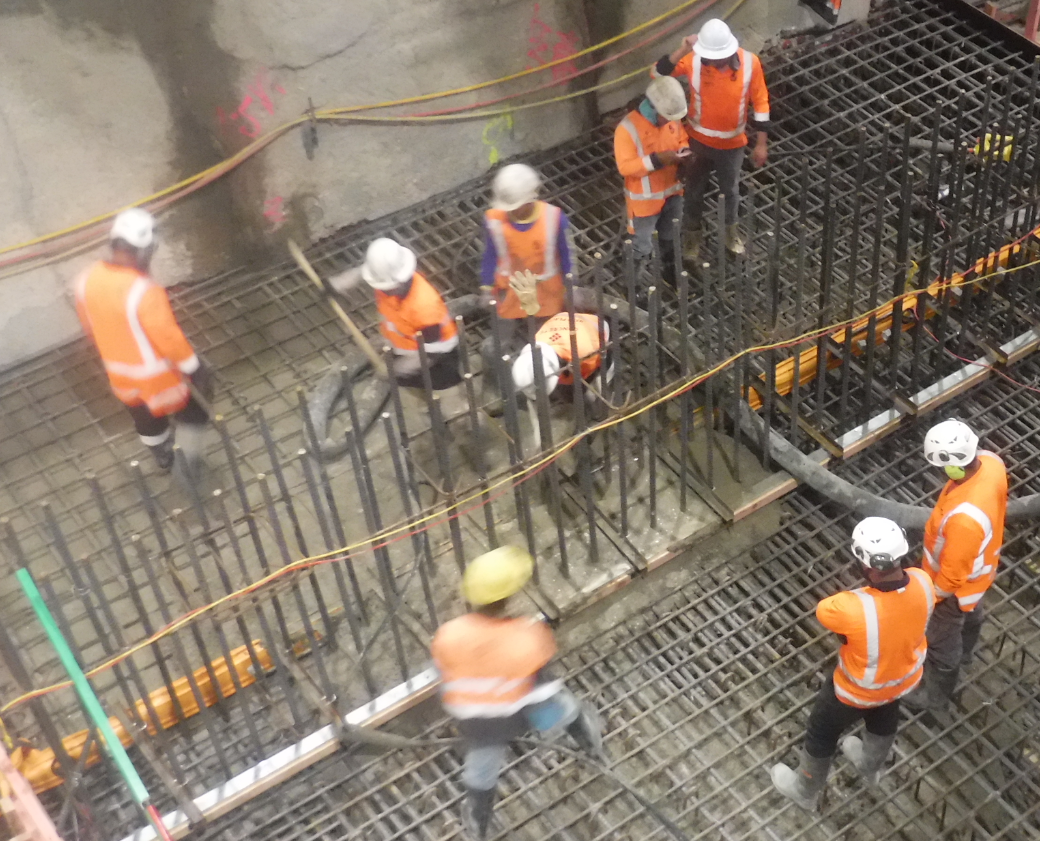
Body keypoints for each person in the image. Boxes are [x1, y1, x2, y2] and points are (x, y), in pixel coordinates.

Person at [430, 546, 603, 840]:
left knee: (481, 774)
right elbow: (542, 686)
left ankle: (478, 822)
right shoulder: (528, 635)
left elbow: (442, 675)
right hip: (522, 713)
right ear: (510, 597)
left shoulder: (449, 634)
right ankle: (592, 747)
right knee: (566, 709)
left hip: (478, 724)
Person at [771, 517, 935, 810]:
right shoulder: (924, 582)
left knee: (821, 730)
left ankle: (805, 790)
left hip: (854, 692)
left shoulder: (851, 608)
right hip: (901, 680)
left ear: (866, 563)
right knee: (884, 715)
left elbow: (825, 610)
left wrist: (863, 594)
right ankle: (870, 767)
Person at [74, 208, 212, 474]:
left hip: (120, 376)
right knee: (197, 401)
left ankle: (161, 454)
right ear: (144, 251)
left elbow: (90, 326)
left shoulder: (86, 280)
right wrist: (194, 367)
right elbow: (167, 338)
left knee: (144, 417)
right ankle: (188, 462)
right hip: (158, 380)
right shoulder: (143, 291)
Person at [903, 420, 1007, 713]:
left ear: (951, 465)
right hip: (980, 572)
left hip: (954, 587)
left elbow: (951, 576)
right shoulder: (992, 462)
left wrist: (930, 598)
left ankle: (935, 696)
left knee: (940, 639)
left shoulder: (965, 519)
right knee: (972, 616)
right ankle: (966, 655)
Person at [653, 19, 770, 259]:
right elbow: (658, 73)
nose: (713, 62)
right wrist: (684, 47)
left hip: (732, 146)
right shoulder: (695, 60)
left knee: (731, 192)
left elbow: (761, 102)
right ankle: (692, 239)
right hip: (697, 143)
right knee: (694, 192)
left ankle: (730, 235)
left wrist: (761, 143)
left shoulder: (750, 63)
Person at [479, 164, 574, 403]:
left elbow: (566, 255)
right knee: (494, 347)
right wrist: (487, 288)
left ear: (532, 197)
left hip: (547, 295)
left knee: (547, 346)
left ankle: (550, 388)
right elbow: (491, 255)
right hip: (510, 293)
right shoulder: (494, 220)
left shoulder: (553, 218)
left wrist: (571, 286)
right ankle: (496, 391)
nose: (511, 211)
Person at [332, 237, 462, 394]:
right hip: (404, 347)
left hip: (438, 359)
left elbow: (432, 354)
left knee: (441, 390)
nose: (383, 290)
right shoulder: (388, 276)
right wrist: (337, 283)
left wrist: (396, 369)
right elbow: (364, 271)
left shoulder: (424, 307)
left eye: (387, 286)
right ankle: (423, 402)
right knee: (411, 386)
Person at [613, 76, 690, 285]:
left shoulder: (671, 117)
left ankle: (670, 273)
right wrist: (657, 160)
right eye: (666, 117)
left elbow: (681, 137)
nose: (670, 122)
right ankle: (631, 285)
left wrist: (684, 152)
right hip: (644, 202)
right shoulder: (627, 130)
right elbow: (625, 167)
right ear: (654, 108)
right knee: (641, 245)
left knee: (670, 236)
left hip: (673, 193)